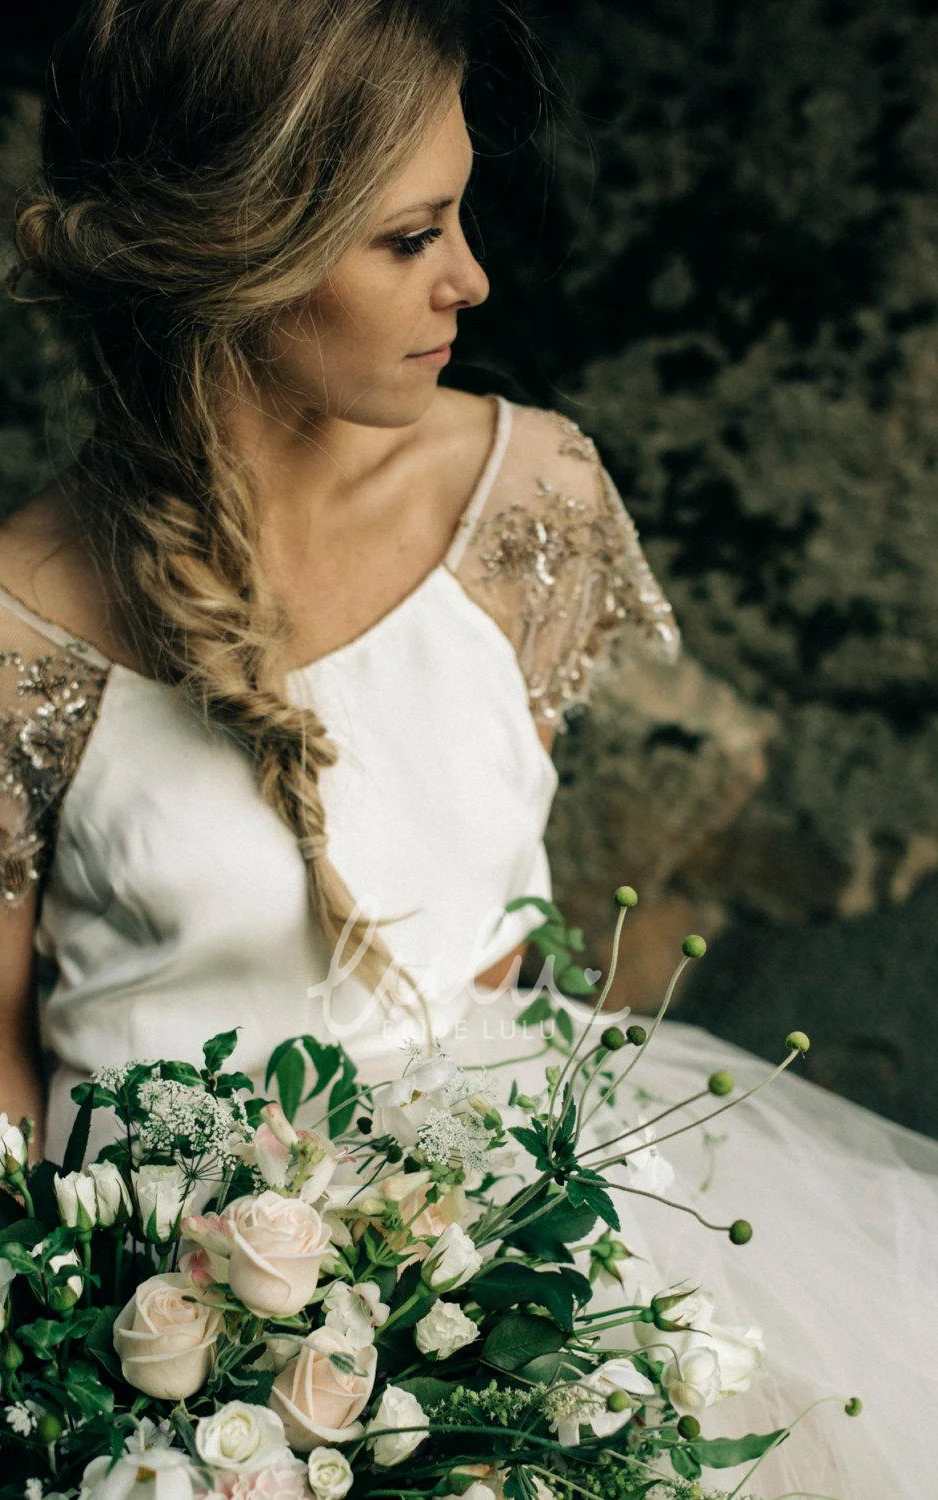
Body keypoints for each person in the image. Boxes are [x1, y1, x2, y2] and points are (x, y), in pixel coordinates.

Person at [0, 2, 936, 1495]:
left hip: (497, 1250)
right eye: (410, 236)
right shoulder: (22, 621)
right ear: (245, 253)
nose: (470, 277)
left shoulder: (529, 500)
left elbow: (493, 924)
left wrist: (467, 1258)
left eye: (459, 217)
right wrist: (72, 1356)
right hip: (147, 1324)